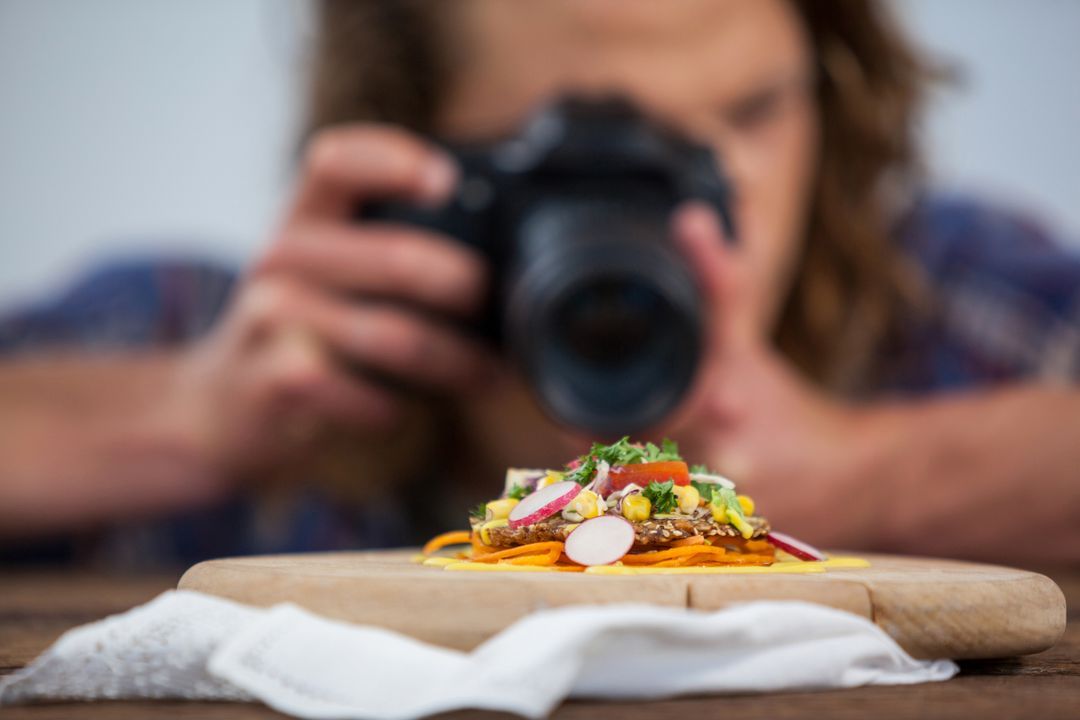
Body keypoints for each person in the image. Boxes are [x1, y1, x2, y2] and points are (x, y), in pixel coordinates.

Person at [1, 0, 1077, 568]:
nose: (696, 217)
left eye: (749, 115)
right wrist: (179, 421)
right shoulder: (200, 337)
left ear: (833, 97)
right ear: (407, 156)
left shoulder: (953, 307)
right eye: (577, 156)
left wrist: (865, 476)